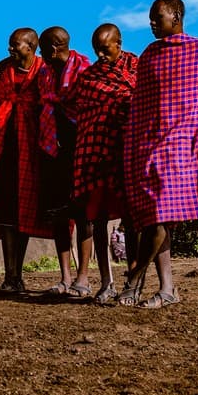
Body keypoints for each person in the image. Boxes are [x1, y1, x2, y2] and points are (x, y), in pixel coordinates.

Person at [121, 0, 198, 308]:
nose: (152, 24)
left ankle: (134, 277)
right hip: (153, 145)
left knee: (160, 214)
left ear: (177, 15)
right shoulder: (150, 55)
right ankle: (167, 289)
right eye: (150, 19)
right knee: (158, 218)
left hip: (184, 147)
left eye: (158, 17)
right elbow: (142, 106)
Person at [64, 24, 137, 305]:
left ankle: (132, 282)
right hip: (94, 153)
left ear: (119, 43)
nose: (100, 55)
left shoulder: (137, 69)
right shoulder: (89, 77)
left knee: (131, 220)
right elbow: (75, 108)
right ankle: (106, 282)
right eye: (96, 50)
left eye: (105, 49)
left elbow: (145, 103)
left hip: (126, 151)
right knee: (98, 219)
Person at [0, 28, 50, 293]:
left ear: (31, 47)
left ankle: (18, 272)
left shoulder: (43, 74)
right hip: (4, 152)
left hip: (31, 154)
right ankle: (10, 275)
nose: (10, 49)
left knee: (25, 213)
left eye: (15, 45)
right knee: (6, 214)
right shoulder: (5, 75)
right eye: (9, 45)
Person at [37, 26, 90, 297]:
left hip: (79, 145)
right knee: (59, 215)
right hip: (53, 149)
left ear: (54, 48)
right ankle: (65, 277)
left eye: (43, 50)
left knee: (83, 214)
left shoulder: (84, 71)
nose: (41, 56)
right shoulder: (45, 73)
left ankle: (83, 277)